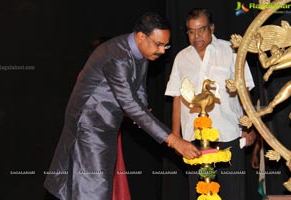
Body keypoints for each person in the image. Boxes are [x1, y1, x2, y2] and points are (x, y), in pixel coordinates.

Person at [43, 12, 201, 200]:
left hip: (104, 125)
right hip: (89, 127)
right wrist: (173, 140)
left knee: (92, 187)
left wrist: (143, 110)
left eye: (165, 45)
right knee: (93, 190)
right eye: (159, 44)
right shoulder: (117, 56)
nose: (162, 51)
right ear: (141, 36)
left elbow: (139, 89)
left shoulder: (140, 51)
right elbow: (129, 103)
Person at [164, 8, 256, 200]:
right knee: (199, 194)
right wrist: (175, 136)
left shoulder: (231, 50)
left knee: (233, 194)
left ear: (212, 28)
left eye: (202, 29)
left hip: (229, 134)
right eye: (191, 31)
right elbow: (177, 97)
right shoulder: (181, 58)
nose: (196, 36)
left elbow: (244, 91)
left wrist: (250, 127)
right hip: (194, 141)